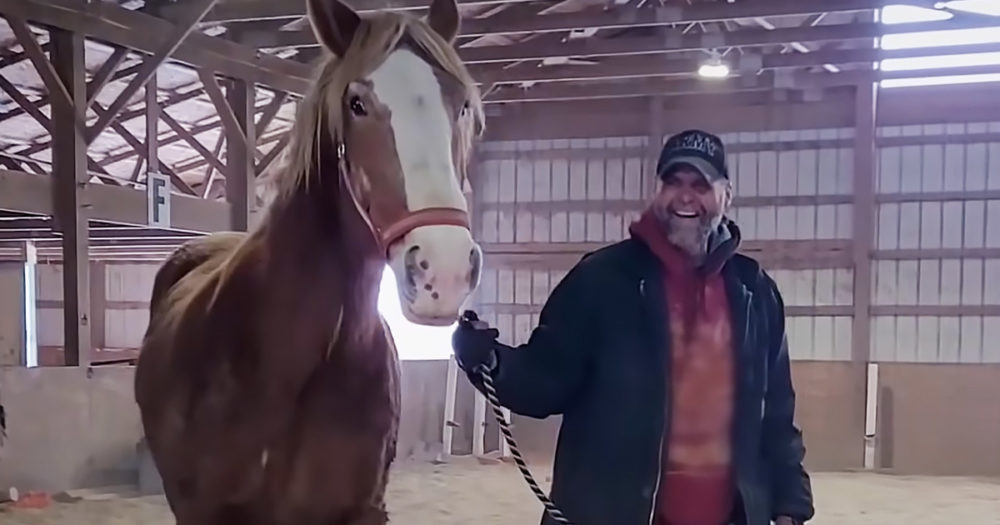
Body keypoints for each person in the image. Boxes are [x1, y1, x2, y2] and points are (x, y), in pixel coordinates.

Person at [452, 129, 814, 525]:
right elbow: (546, 379)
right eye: (672, 182)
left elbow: (777, 411)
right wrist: (490, 361)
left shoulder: (755, 292)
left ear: (726, 195)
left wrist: (790, 505)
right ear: (656, 191)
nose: (685, 197)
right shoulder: (601, 280)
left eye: (701, 184)